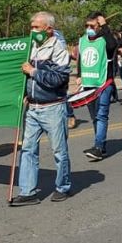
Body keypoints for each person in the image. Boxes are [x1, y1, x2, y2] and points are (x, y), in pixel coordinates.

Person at [9, 12, 72, 206]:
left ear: (48, 29)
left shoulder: (59, 48)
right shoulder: (31, 47)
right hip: (33, 108)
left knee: (59, 151)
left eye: (37, 27)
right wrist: (27, 92)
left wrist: (33, 71)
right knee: (27, 150)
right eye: (32, 26)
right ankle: (28, 191)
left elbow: (58, 79)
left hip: (53, 107)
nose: (33, 30)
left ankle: (63, 187)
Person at [77, 11, 118, 161]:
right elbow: (81, 58)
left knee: (101, 116)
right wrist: (79, 76)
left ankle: (99, 147)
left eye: (93, 25)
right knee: (94, 117)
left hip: (103, 84)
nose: (89, 28)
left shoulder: (105, 41)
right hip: (88, 85)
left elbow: (113, 45)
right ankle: (100, 145)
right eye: (87, 25)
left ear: (99, 26)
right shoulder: (82, 40)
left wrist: (105, 25)